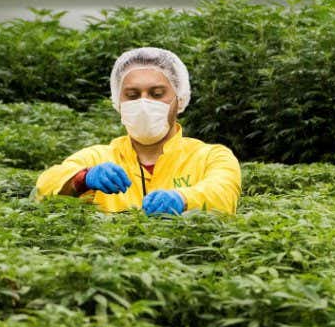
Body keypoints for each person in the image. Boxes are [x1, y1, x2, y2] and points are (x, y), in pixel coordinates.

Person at [34, 47, 241, 215]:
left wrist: (183, 199)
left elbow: (222, 193)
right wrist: (81, 179)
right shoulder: (98, 157)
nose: (144, 103)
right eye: (132, 95)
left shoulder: (210, 156)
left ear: (180, 99)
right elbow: (44, 188)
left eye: (157, 93)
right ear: (118, 102)